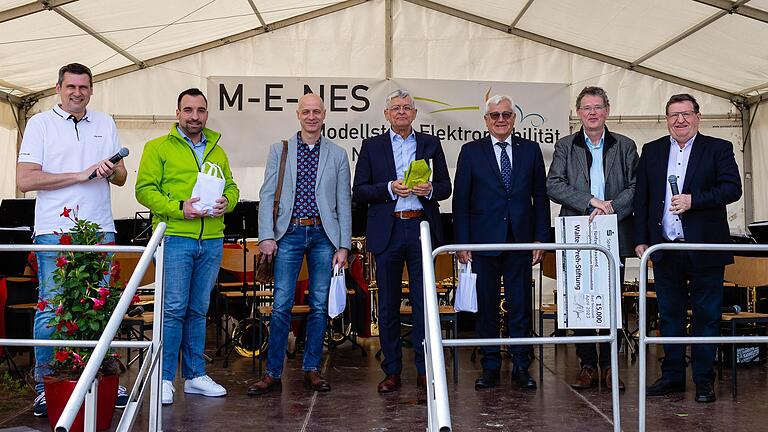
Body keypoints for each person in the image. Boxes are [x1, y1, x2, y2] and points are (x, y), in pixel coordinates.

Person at [16, 63, 128, 417]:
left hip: (100, 226)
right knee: (52, 305)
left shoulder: (105, 122)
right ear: (58, 88)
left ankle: (101, 375)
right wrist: (80, 175)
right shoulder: (39, 124)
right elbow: (25, 179)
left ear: (91, 90)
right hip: (54, 228)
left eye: (84, 87)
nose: (77, 92)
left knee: (101, 306)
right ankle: (45, 386)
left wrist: (113, 169)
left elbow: (123, 177)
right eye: (71, 87)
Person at [634, 93, 742, 403]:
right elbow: (643, 198)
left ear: (698, 116)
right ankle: (672, 377)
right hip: (665, 248)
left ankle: (704, 380)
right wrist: (641, 240)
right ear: (666, 119)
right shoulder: (652, 151)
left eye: (686, 114)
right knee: (670, 315)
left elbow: (732, 188)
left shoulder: (718, 148)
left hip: (705, 248)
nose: (680, 120)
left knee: (707, 316)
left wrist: (695, 200)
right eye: (673, 115)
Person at [135, 88, 239, 405]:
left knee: (198, 310)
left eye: (201, 110)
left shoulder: (217, 150)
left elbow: (232, 188)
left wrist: (227, 202)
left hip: (211, 239)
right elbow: (144, 190)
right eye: (188, 110)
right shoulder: (157, 148)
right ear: (177, 112)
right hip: (176, 236)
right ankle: (165, 378)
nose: (195, 116)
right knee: (173, 310)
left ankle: (194, 376)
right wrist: (180, 207)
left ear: (207, 114)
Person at [248, 93, 352, 396]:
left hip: (324, 236)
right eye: (306, 111)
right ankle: (272, 373)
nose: (311, 116)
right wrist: (266, 236)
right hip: (288, 234)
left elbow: (344, 202)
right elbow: (267, 195)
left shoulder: (338, 154)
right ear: (297, 114)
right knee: (281, 305)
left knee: (319, 306)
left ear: (324, 115)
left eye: (316, 111)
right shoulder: (279, 150)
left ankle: (311, 369)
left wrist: (343, 245)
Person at [352, 89, 452, 393]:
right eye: (395, 108)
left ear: (414, 113)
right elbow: (360, 191)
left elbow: (446, 187)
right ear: (386, 114)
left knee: (424, 303)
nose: (401, 112)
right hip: (388, 231)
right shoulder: (372, 146)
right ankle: (392, 370)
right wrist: (390, 188)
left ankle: (424, 370)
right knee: (389, 306)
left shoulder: (430, 144)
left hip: (421, 227)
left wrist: (430, 189)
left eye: (407, 107)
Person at [453, 94, 550, 390]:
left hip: (520, 241)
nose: (500, 120)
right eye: (494, 115)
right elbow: (461, 200)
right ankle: (491, 365)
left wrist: (540, 238)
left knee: (520, 306)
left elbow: (540, 199)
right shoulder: (471, 152)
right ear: (485, 120)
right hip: (483, 243)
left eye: (506, 114)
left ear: (514, 118)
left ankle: (522, 366)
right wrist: (462, 243)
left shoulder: (531, 150)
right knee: (487, 307)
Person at [546, 86, 637, 391]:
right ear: (578, 113)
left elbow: (637, 187)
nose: (593, 112)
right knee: (581, 301)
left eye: (598, 107)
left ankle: (611, 366)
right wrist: (591, 201)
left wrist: (611, 207)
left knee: (612, 299)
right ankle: (587, 365)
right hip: (577, 228)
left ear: (607, 111)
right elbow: (554, 184)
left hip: (614, 228)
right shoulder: (565, 146)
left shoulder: (625, 145)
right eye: (587, 108)